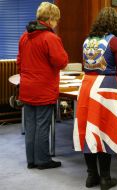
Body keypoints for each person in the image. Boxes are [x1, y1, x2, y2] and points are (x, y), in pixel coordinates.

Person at [73, 7, 117, 190]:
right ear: (115, 23)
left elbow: (85, 65)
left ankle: (91, 176)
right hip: (107, 87)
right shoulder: (114, 41)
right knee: (105, 129)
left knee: (88, 128)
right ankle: (105, 178)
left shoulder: (87, 40)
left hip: (87, 85)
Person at [16, 2, 69, 169]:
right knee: (43, 125)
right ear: (51, 19)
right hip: (44, 89)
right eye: (57, 20)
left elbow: (19, 61)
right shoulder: (51, 38)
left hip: (27, 87)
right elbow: (61, 62)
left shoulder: (25, 36)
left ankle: (31, 160)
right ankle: (43, 160)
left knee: (31, 125)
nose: (57, 23)